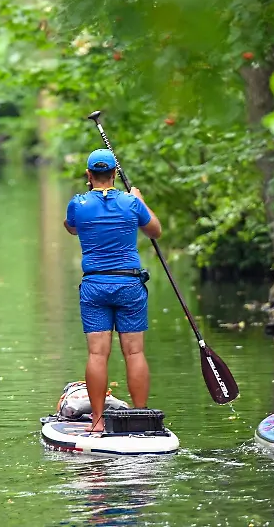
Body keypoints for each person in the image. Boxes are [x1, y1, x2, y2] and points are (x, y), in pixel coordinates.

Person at [63, 149, 162, 434]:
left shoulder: (78, 204)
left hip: (95, 286)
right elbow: (155, 230)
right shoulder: (131, 203)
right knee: (134, 352)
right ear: (115, 174)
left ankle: (97, 422)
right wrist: (139, 200)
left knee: (97, 354)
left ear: (89, 174)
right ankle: (141, 418)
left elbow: (71, 228)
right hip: (129, 285)